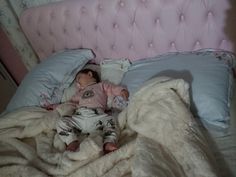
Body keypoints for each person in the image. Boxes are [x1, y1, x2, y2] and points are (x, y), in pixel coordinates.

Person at [55, 68, 129, 154]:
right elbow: (69, 103)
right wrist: (55, 106)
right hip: (80, 117)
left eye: (79, 78)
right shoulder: (80, 93)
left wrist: (121, 91)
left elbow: (112, 88)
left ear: (89, 74)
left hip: (97, 117)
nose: (77, 83)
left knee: (111, 120)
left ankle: (108, 142)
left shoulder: (101, 85)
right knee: (61, 121)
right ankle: (71, 141)